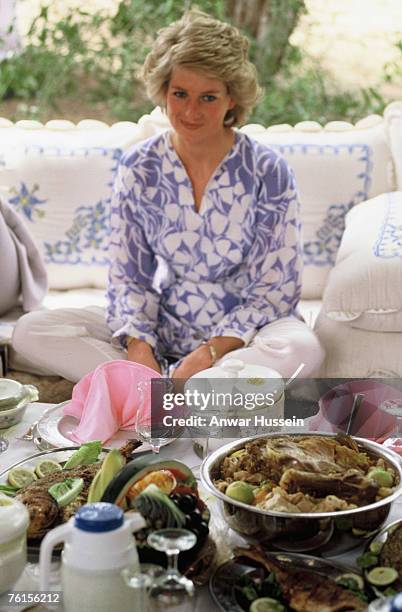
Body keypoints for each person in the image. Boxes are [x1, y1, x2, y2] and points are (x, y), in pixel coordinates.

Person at [12, 9, 324, 382]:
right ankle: (162, 387)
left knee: (304, 348)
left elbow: (275, 290)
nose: (191, 111)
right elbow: (130, 278)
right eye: (180, 94)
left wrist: (209, 353)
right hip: (164, 324)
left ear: (231, 100)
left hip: (246, 337)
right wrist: (139, 347)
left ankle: (169, 388)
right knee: (32, 331)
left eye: (208, 97)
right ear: (163, 91)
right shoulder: (140, 167)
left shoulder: (268, 171)